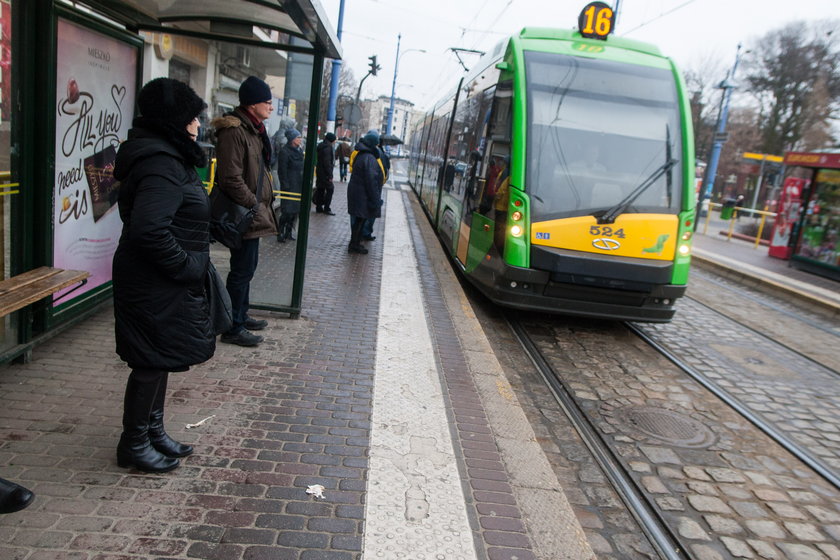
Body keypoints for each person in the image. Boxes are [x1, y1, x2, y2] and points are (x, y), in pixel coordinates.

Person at [112, 77, 214, 473]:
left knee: (160, 356)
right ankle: (134, 443)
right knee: (150, 360)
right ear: (176, 121)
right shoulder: (162, 163)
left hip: (156, 277)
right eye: (193, 118)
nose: (198, 125)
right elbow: (150, 230)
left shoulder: (165, 157)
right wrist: (189, 266)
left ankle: (152, 431)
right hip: (154, 278)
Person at [211, 76, 277, 347]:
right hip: (245, 212)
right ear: (252, 104)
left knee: (246, 269)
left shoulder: (253, 130)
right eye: (267, 102)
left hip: (252, 211)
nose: (271, 107)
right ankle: (233, 325)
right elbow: (230, 178)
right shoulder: (235, 131)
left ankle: (241, 314)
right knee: (240, 271)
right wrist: (253, 204)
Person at [347, 130, 385, 254]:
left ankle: (355, 243)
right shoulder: (369, 157)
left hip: (359, 193)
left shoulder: (362, 154)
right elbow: (371, 180)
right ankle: (355, 245)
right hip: (363, 195)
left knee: (359, 220)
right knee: (360, 220)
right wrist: (375, 199)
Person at [276, 128, 304, 241]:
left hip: (298, 184)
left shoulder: (299, 151)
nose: (300, 139)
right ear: (292, 139)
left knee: (295, 211)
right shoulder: (285, 152)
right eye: (298, 137)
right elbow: (282, 170)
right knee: (287, 211)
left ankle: (289, 232)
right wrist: (285, 184)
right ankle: (280, 232)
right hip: (289, 185)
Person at [314, 132, 337, 215]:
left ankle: (319, 207)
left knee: (320, 189)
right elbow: (327, 163)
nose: (335, 141)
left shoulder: (322, 146)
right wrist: (330, 174)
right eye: (334, 140)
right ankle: (327, 208)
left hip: (320, 171)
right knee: (330, 189)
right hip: (325, 173)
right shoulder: (328, 148)